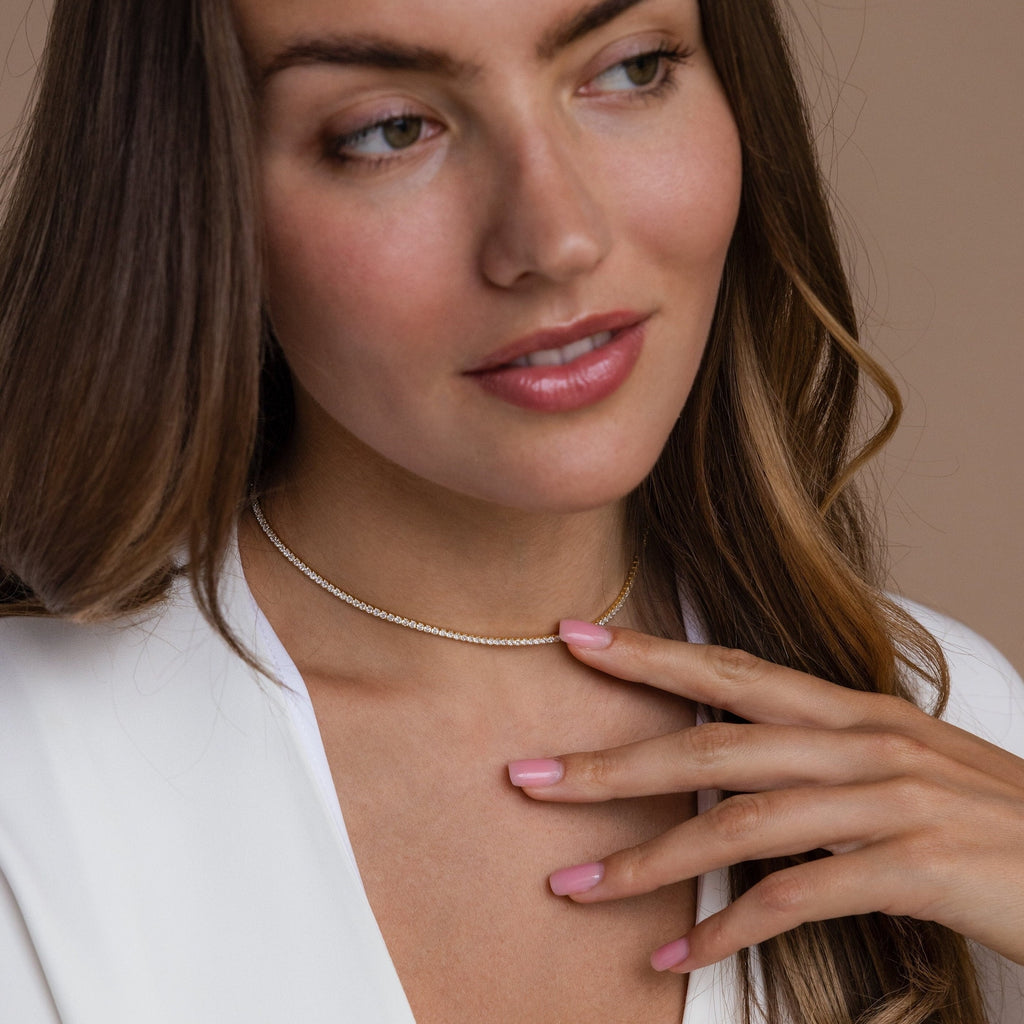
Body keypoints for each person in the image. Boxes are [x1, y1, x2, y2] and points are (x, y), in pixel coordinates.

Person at [1, 0, 1022, 1021]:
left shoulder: (944, 716)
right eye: (388, 130)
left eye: (628, 69)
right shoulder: (31, 779)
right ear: (190, 188)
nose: (557, 238)